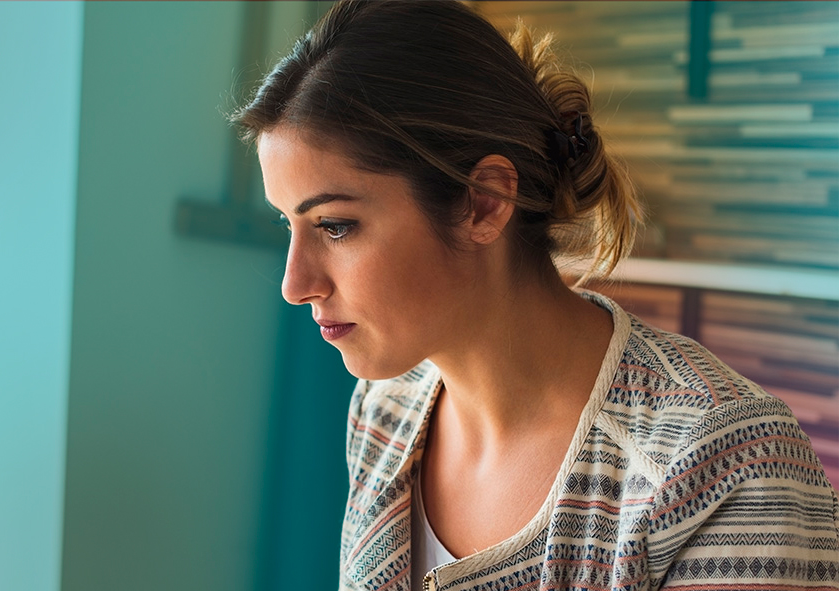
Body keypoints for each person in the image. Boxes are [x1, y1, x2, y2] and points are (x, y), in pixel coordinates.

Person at [231, 1, 839, 589]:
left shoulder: (725, 467)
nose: (294, 285)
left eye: (335, 226)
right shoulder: (385, 411)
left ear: (484, 201)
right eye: (289, 224)